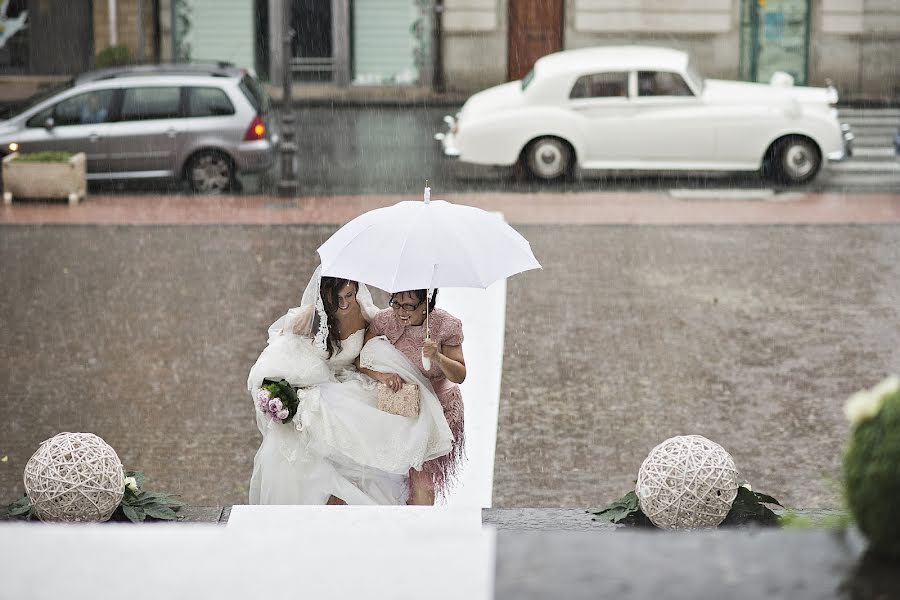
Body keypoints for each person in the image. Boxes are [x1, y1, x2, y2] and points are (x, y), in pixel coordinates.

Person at [247, 267, 453, 505]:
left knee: (373, 432)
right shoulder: (310, 318)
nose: (344, 303)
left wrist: (387, 373)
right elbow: (283, 347)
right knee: (313, 427)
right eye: (338, 298)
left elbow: (367, 354)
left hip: (349, 383)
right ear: (325, 295)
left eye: (349, 295)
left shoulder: (365, 316)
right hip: (317, 385)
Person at [361, 289, 466, 505]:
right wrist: (382, 376)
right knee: (395, 481)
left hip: (439, 409)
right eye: (396, 303)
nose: (400, 312)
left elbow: (460, 374)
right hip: (402, 409)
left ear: (426, 303)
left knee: (422, 477)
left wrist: (437, 356)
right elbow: (361, 360)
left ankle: (421, 529)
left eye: (409, 305)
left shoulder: (446, 325)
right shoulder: (383, 321)